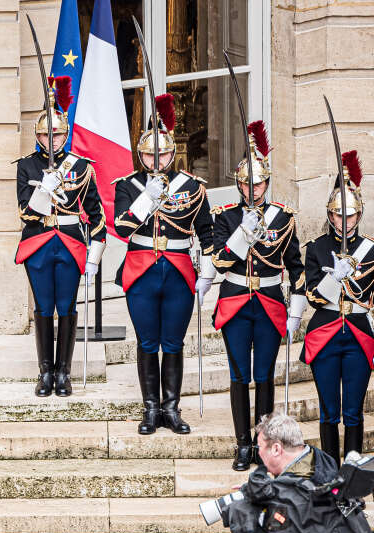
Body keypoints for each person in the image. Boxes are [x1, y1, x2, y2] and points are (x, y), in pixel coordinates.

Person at [113, 93, 216, 436]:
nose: (156, 160)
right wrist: (147, 199)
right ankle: (150, 409)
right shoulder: (129, 186)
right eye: (148, 154)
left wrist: (210, 273)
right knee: (147, 342)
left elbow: (206, 232)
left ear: (173, 153)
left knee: (173, 342)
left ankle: (171, 408)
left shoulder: (191, 186)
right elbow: (122, 227)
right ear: (140, 155)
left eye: (163, 154)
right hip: (141, 269)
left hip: (177, 270)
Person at [208, 121, 304, 471]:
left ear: (267, 183)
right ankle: (243, 445)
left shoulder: (283, 218)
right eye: (247, 183)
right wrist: (241, 236)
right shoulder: (225, 216)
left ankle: (265, 445)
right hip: (234, 299)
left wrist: (296, 309)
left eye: (259, 182)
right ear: (238, 184)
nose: (253, 189)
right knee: (239, 376)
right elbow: (219, 262)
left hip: (268, 303)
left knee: (263, 375)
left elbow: (295, 266)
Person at [14, 75, 107, 397]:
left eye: (57, 135)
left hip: (69, 242)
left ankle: (64, 372)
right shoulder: (26, 167)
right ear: (37, 136)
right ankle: (45, 372)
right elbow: (26, 213)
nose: (52, 140)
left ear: (65, 136)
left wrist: (94, 255)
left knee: (66, 306)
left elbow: (97, 217)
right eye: (45, 135)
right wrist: (44, 193)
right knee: (43, 307)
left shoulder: (81, 166)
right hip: (38, 242)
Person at [299, 150, 374, 460]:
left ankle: (353, 474)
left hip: (358, 333)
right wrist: (334, 280)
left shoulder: (370, 250)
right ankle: (330, 472)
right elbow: (313, 297)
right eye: (339, 215)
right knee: (329, 412)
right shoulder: (317, 248)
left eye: (351, 215)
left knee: (353, 412)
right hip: (326, 332)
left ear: (360, 215)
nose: (345, 221)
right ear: (330, 215)